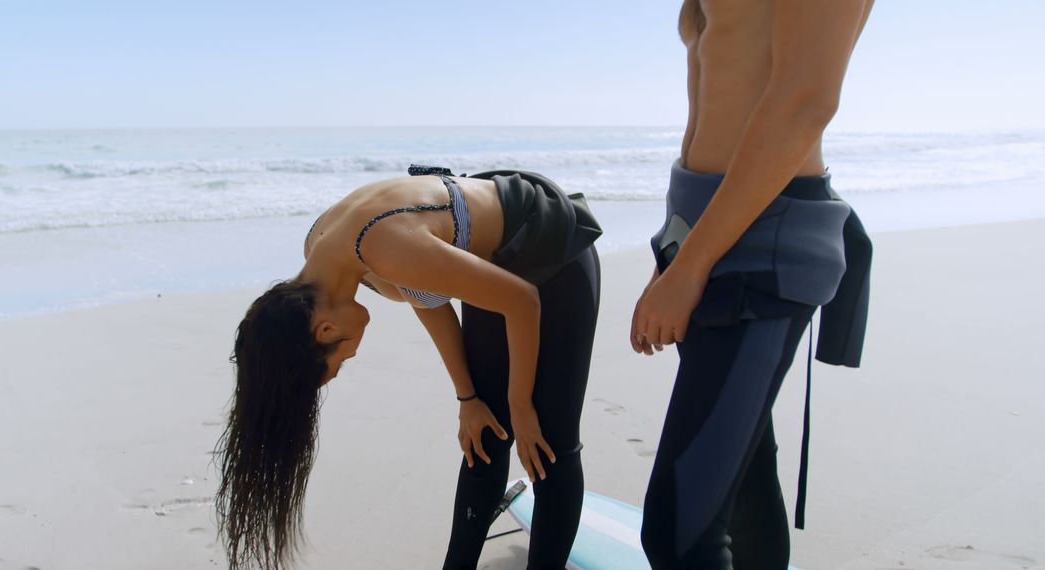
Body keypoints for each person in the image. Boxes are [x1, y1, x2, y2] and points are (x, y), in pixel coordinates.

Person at [214, 164, 602, 570]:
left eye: (339, 364)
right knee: (485, 434)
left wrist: (521, 405)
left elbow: (522, 302)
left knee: (547, 446)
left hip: (555, 252)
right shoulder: (322, 250)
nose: (351, 357)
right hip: (497, 264)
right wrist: (467, 397)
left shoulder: (385, 249)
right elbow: (427, 298)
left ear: (326, 329)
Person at [631, 1, 875, 568]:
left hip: (764, 247)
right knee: (740, 490)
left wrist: (691, 266)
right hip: (699, 231)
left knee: (677, 531)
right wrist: (677, 253)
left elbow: (805, 102)